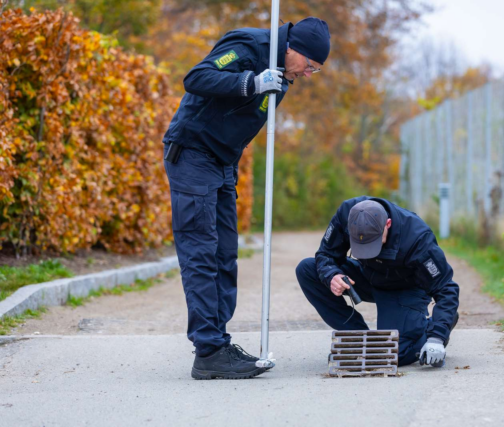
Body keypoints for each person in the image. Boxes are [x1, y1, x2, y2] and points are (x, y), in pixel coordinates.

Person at [162, 17, 331, 380]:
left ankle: (218, 345)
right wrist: (250, 82)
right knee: (201, 253)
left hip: (222, 164)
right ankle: (208, 350)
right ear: (293, 49)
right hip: (192, 155)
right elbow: (197, 78)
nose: (307, 74)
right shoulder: (249, 45)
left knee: (225, 254)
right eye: (310, 66)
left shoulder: (282, 79)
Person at [295, 197, 460, 367]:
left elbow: (446, 288)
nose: (367, 251)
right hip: (366, 275)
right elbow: (325, 254)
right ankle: (359, 338)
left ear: (387, 224)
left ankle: (435, 325)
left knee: (393, 355)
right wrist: (332, 275)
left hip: (404, 288)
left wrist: (437, 337)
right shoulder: (347, 214)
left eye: (373, 243)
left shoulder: (417, 238)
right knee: (307, 269)